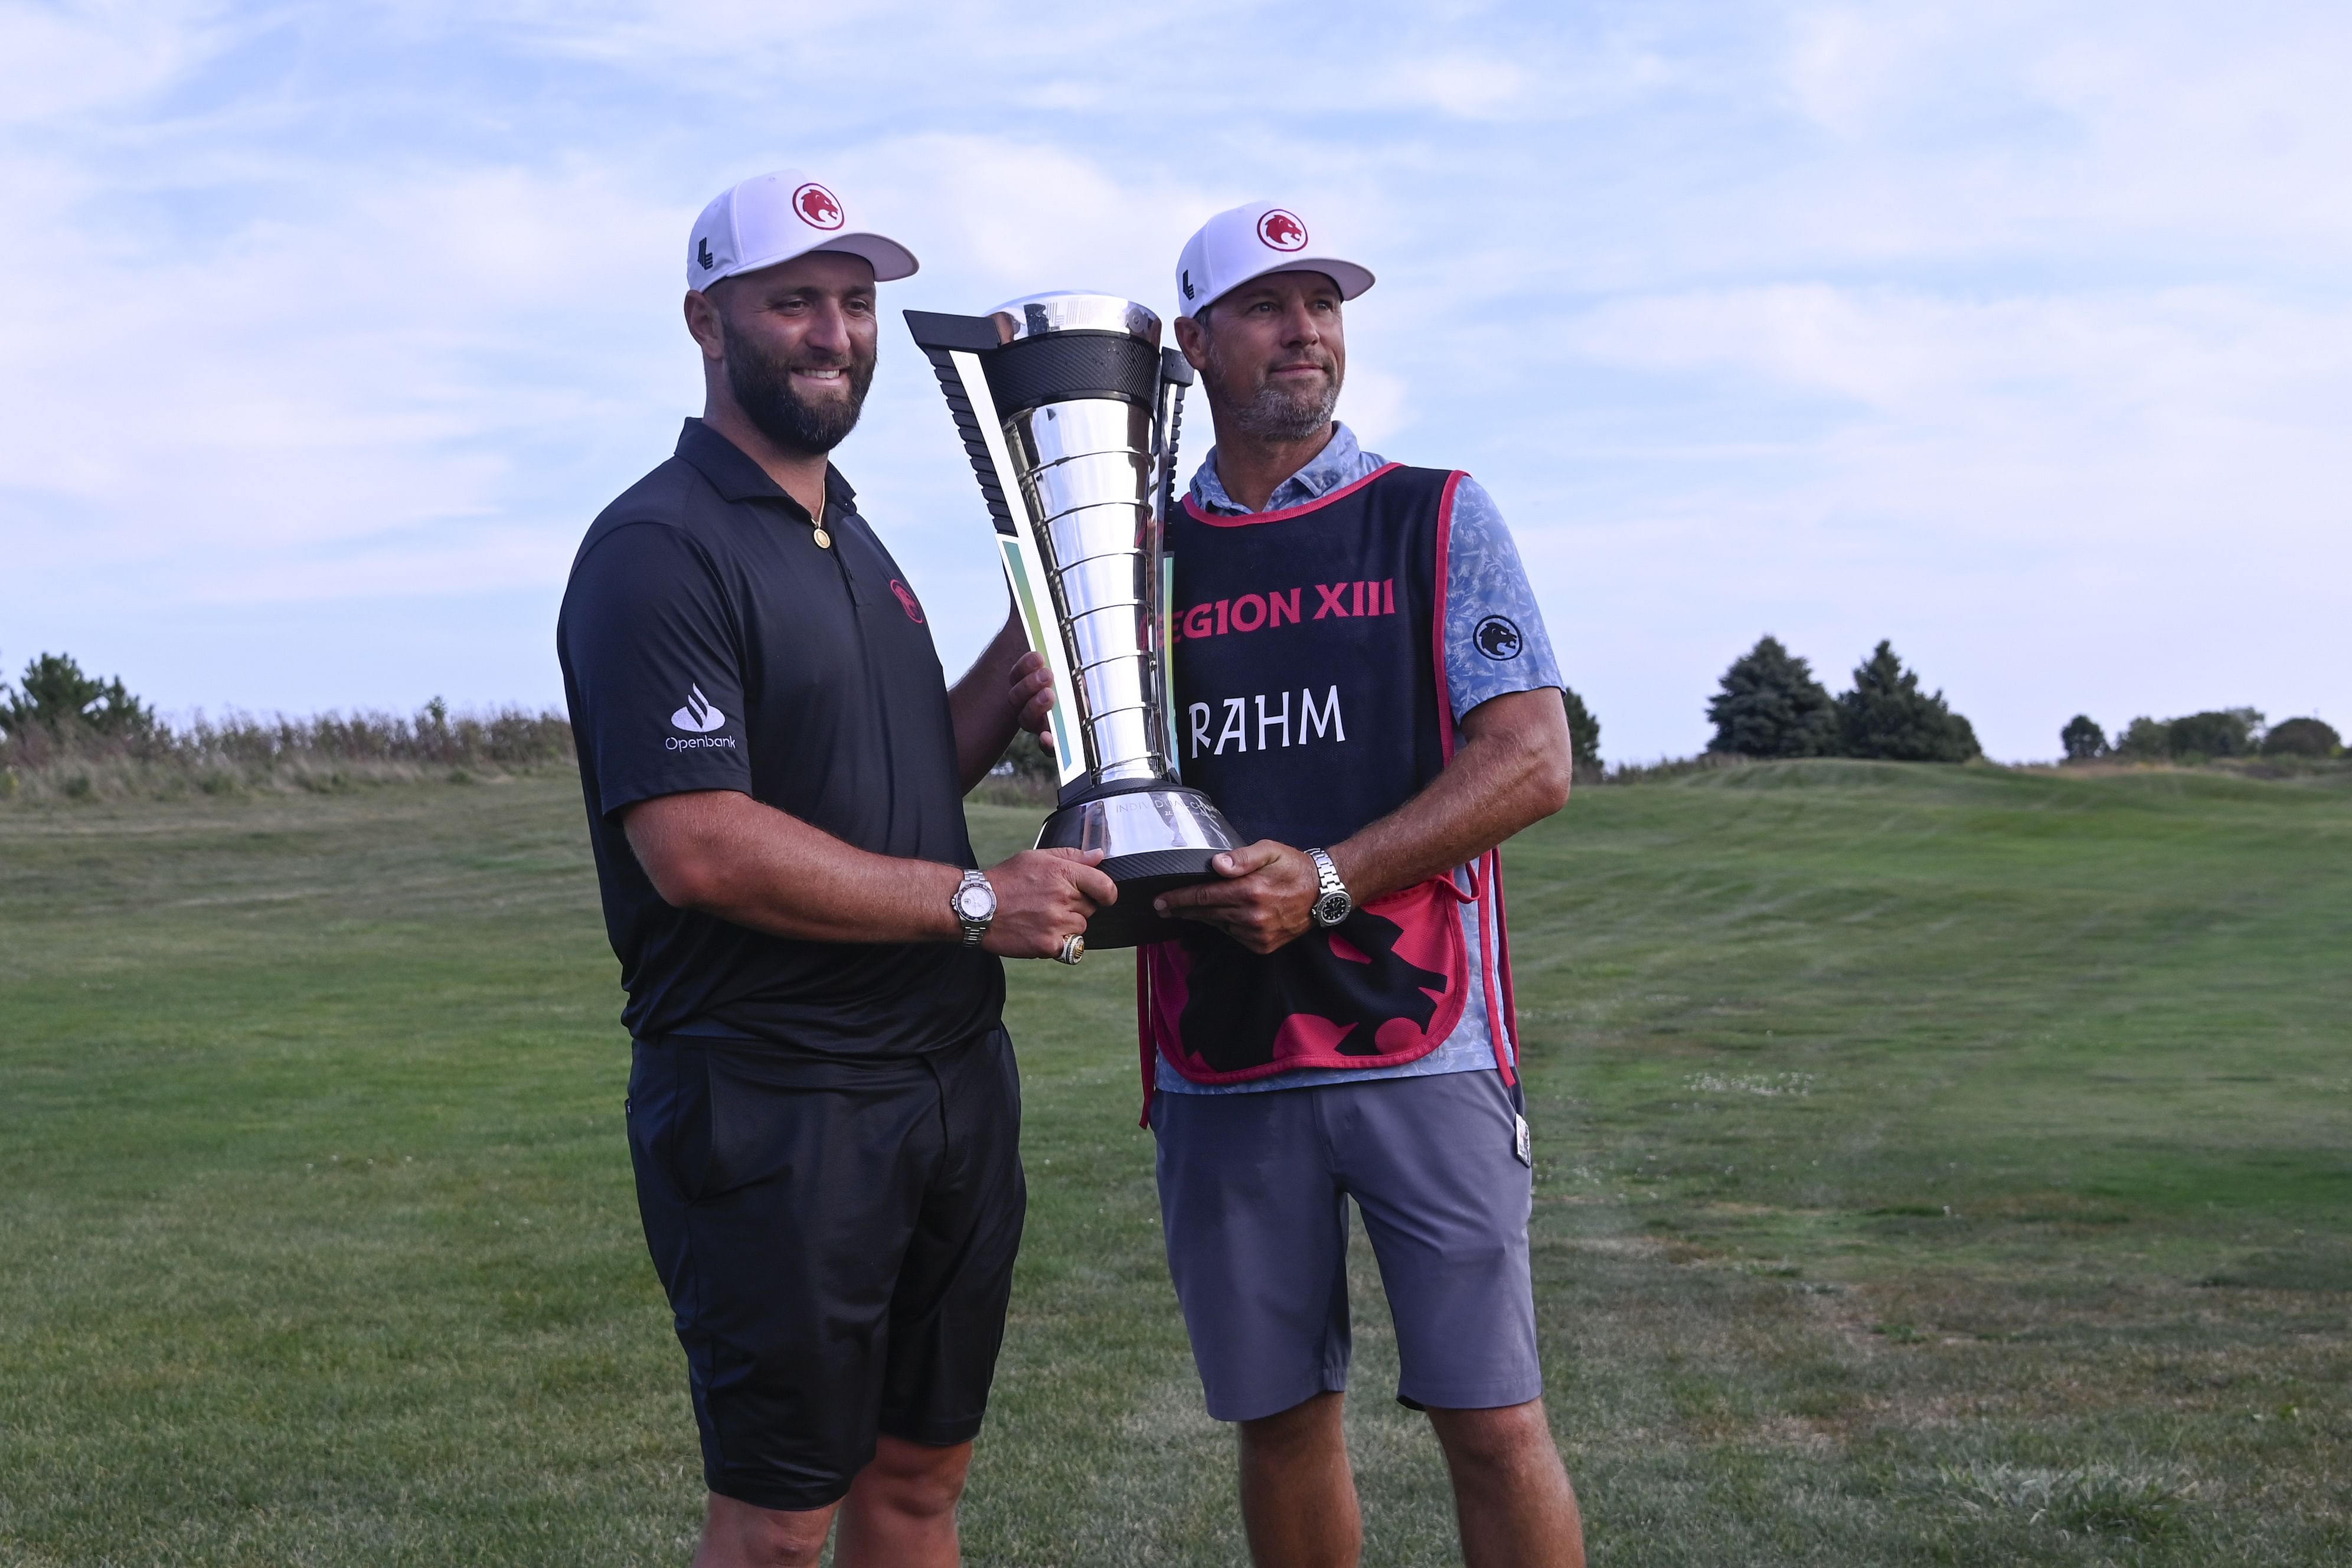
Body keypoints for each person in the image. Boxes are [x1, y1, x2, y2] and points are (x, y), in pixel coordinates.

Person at [557, 169, 1112, 1568]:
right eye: (793, 299)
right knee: (779, 1522)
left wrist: (1029, 652)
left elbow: (896, 775)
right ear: (707, 319)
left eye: (856, 303)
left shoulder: (853, 539)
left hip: (947, 1081)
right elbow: (697, 842)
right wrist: (977, 900)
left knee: (919, 1485)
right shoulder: (656, 547)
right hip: (776, 1098)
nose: (834, 332)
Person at [1140, 201, 1584, 1567]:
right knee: (1279, 1421)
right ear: (1197, 341)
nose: (1307, 332)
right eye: (1270, 307)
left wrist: (1328, 877)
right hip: (1221, 1057)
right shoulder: (1136, 558)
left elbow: (1531, 760)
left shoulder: (1433, 512)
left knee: (1493, 1418)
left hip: (1424, 1043)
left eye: (1324, 304)